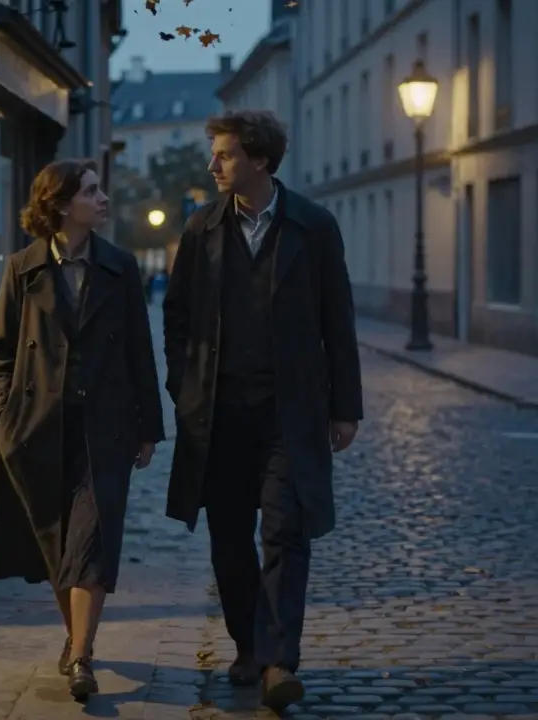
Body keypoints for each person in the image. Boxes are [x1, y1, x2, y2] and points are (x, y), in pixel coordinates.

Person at [161, 110, 364, 711]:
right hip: (219, 411)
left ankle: (278, 661)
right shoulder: (201, 229)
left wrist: (345, 407)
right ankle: (248, 644)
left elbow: (338, 319)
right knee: (229, 535)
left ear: (260, 161)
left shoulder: (314, 227)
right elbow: (176, 315)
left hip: (290, 409)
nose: (213, 164)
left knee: (285, 530)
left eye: (224, 155)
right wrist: (183, 385)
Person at [0, 158, 165, 701]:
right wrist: (3, 409)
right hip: (38, 428)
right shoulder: (23, 268)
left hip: (105, 428)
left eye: (101, 189)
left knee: (92, 540)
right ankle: (76, 637)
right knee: (57, 544)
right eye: (91, 191)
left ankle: (81, 656)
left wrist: (149, 428)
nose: (103, 198)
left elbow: (138, 350)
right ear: (62, 205)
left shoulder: (120, 267)